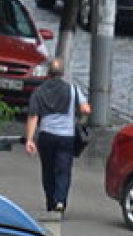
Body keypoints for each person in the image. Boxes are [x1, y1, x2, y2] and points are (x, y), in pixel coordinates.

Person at [25, 59, 90, 213]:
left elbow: (33, 116)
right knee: (63, 170)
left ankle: (50, 201)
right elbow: (86, 109)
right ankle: (60, 200)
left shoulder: (39, 91)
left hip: (46, 135)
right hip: (66, 136)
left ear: (48, 73)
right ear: (62, 73)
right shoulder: (73, 89)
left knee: (48, 170)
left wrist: (29, 140)